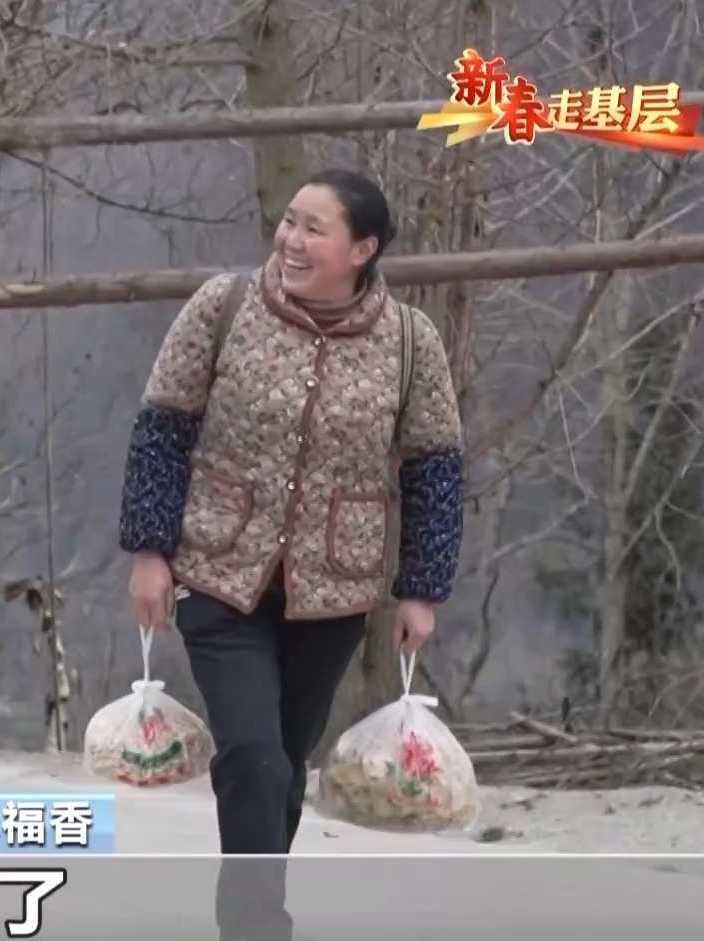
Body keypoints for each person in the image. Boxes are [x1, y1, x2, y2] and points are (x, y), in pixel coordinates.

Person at [117, 169, 464, 939]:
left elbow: (435, 466)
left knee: (284, 766)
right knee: (252, 754)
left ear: (361, 249)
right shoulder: (224, 306)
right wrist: (149, 550)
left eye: (314, 228)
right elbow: (163, 427)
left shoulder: (410, 341)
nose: (292, 240)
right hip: (219, 572)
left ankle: (253, 908)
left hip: (333, 591)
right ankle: (257, 927)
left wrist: (421, 587)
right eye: (289, 222)